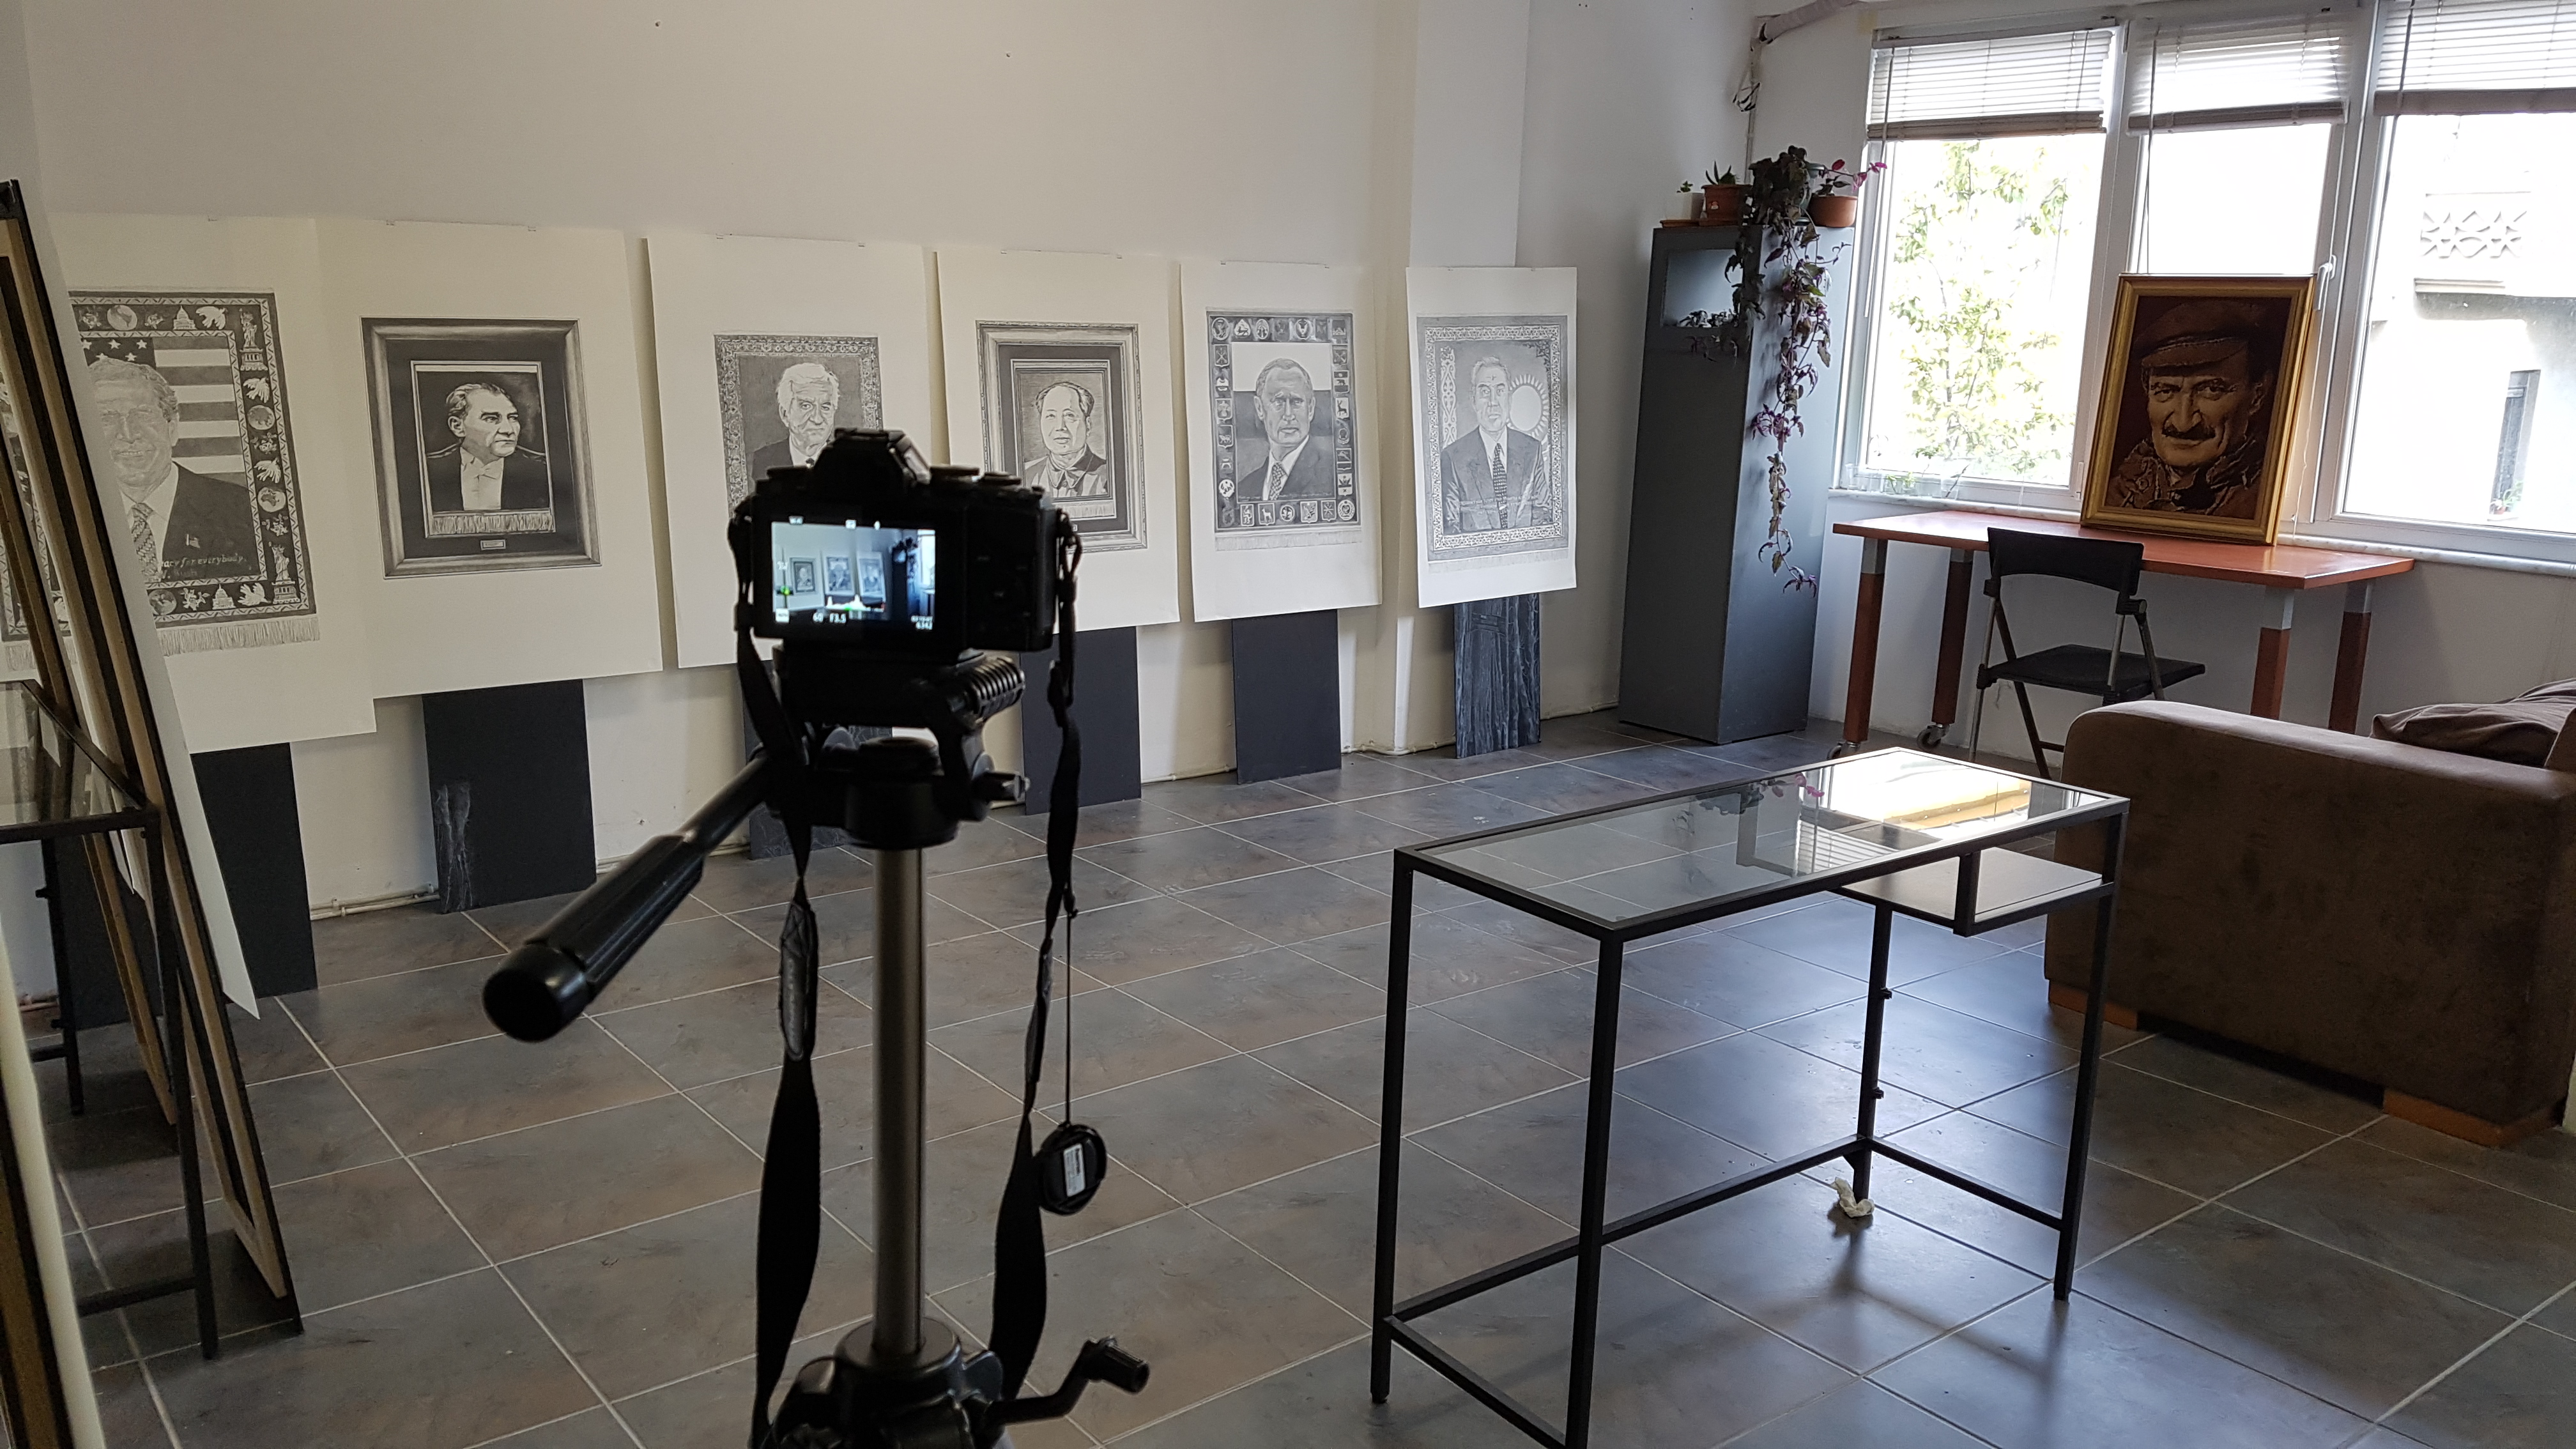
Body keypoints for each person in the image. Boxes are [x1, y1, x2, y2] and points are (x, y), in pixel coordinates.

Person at [88, 355, 257, 583]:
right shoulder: (59, 519)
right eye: (106, 420)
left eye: (142, 416)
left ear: (173, 428)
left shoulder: (244, 511)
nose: (128, 435)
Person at [2108, 300, 2278, 520]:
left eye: (2211, 390)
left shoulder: (2259, 501)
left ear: (2258, 395)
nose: (2183, 422)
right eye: (2165, 391)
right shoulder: (2119, 491)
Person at [1438, 355, 1547, 532]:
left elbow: (1543, 515)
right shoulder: (1453, 458)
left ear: (1509, 399)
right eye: (1485, 392)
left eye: (1500, 391)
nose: (1493, 402)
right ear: (1473, 401)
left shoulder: (1532, 451)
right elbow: (1450, 528)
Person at [425, 379, 551, 514]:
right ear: (458, 426)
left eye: (512, 418)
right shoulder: (428, 470)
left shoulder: (542, 471)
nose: (509, 430)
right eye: (491, 419)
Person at [1230, 358, 1335, 510]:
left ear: (1311, 408)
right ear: (1260, 408)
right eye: (1278, 402)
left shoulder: (1332, 475)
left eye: (1296, 402)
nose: (1288, 415)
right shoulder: (1245, 488)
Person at [1020, 380, 1111, 497]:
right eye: (1051, 416)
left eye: (1070, 416)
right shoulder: (1024, 474)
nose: (1060, 427)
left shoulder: (1110, 476)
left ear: (1088, 425)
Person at [750, 362, 840, 478]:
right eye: (806, 406)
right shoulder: (763, 460)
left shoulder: (847, 462)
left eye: (825, 407)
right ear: (785, 414)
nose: (817, 419)